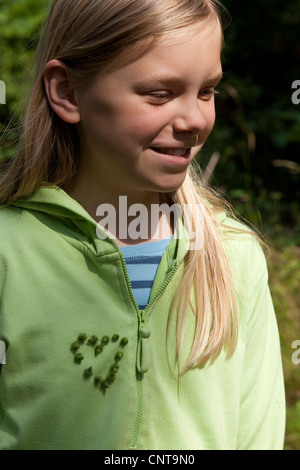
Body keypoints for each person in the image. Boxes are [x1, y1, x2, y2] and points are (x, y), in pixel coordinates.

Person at [0, 0, 285, 450]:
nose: (194, 120)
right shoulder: (8, 253)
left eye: (207, 91)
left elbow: (258, 436)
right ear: (68, 92)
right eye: (160, 93)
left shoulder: (234, 256)